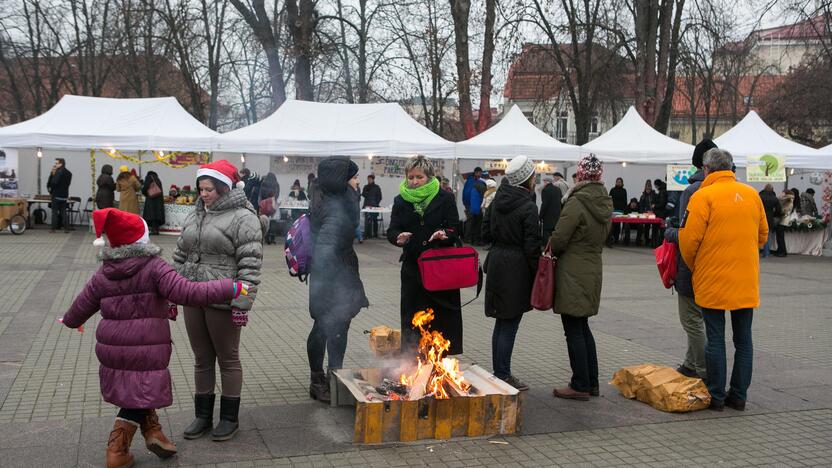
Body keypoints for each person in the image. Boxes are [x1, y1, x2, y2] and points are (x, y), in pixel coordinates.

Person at [61, 208, 247, 468]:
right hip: (146, 348)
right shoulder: (153, 267)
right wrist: (230, 286)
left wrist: (70, 321)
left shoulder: (105, 272)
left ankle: (154, 432)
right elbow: (187, 292)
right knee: (138, 393)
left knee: (138, 390)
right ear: (142, 239)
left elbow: (83, 302)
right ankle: (117, 450)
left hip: (113, 348)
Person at [172, 160, 264, 442]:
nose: (203, 194)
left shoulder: (243, 217)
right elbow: (180, 254)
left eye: (209, 189)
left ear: (224, 187)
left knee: (228, 358)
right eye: (201, 189)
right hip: (192, 294)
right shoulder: (196, 214)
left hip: (223, 296)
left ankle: (228, 418)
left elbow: (250, 266)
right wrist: (172, 290)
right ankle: (202, 416)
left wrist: (242, 303)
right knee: (201, 358)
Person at [679, 148, 767, 412]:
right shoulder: (752, 195)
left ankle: (716, 396)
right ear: (730, 168)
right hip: (745, 279)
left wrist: (698, 266)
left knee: (715, 338)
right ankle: (738, 396)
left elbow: (688, 241)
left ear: (707, 170)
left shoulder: (703, 196)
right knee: (744, 340)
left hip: (712, 278)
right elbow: (762, 236)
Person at [306, 157, 369, 402]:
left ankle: (335, 375)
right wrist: (334, 280)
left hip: (338, 274)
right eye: (353, 177)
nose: (357, 181)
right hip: (331, 276)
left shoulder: (336, 199)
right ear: (342, 181)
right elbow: (326, 247)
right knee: (325, 326)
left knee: (338, 325)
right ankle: (319, 379)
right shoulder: (335, 206)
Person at [550, 154, 612, 401]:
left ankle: (580, 384)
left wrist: (551, 245)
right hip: (592, 268)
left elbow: (560, 238)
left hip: (573, 272)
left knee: (573, 329)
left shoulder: (577, 202)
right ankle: (592, 382)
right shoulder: (605, 201)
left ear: (581, 175)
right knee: (583, 327)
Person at [388, 155, 463, 356]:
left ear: (429, 177)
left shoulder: (445, 197)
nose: (414, 182)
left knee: (441, 318)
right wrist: (398, 237)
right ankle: (412, 361)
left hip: (440, 269)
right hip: (413, 271)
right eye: (410, 177)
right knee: (413, 318)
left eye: (419, 177)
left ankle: (439, 358)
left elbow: (455, 228)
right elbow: (392, 230)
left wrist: (445, 234)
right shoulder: (401, 200)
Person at [481, 156, 541, 391]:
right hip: (516, 268)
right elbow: (532, 246)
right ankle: (502, 374)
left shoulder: (496, 199)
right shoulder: (528, 206)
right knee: (509, 323)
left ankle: (499, 371)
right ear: (527, 179)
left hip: (496, 262)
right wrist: (538, 275)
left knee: (501, 322)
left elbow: (484, 233)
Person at [663, 138, 715, 379]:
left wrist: (669, 230)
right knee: (699, 317)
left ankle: (703, 370)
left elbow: (687, 234)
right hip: (716, 264)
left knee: (691, 320)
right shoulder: (726, 189)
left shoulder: (693, 190)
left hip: (691, 265)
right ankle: (690, 363)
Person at [47, 158, 72, 232]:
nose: (55, 165)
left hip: (56, 195)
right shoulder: (69, 173)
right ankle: (66, 228)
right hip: (64, 195)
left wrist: (52, 175)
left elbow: (53, 183)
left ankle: (53, 228)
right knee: (63, 212)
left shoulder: (58, 172)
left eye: (56, 163)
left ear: (61, 164)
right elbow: (68, 184)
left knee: (54, 212)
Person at [463, 168, 486, 245]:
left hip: (477, 205)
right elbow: (466, 193)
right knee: (470, 221)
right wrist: (466, 204)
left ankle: (474, 239)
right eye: (479, 172)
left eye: (481, 173)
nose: (480, 174)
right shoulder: (470, 181)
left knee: (476, 222)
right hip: (470, 204)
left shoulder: (478, 181)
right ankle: (468, 238)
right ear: (476, 172)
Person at [759, 184, 782, 258]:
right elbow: (779, 210)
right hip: (769, 219)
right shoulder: (774, 198)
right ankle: (766, 253)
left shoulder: (760, 196)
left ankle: (756, 252)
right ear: (772, 189)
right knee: (767, 236)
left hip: (759, 218)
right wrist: (774, 214)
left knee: (757, 236)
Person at [539, 177, 563, 241]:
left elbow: (544, 204)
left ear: (546, 182)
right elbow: (561, 202)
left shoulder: (545, 190)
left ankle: (546, 249)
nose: (543, 184)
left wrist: (540, 216)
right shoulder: (558, 189)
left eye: (544, 182)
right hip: (557, 216)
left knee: (546, 234)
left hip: (548, 217)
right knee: (555, 235)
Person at [259, 172, 280, 245]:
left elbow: (261, 193)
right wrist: (273, 198)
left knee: (265, 220)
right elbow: (277, 194)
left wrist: (264, 200)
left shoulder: (264, 183)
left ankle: (266, 237)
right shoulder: (276, 184)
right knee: (273, 221)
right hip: (273, 203)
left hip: (265, 204)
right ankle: (273, 238)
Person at [361, 174, 383, 239]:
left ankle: (375, 234)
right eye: (368, 179)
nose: (369, 180)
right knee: (367, 220)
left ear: (373, 179)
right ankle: (368, 234)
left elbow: (379, 197)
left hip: (374, 206)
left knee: (374, 220)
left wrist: (376, 204)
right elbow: (363, 194)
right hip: (367, 206)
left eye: (370, 179)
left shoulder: (377, 187)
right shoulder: (366, 187)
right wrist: (367, 192)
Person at [775, 189, 796, 257]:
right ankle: (780, 250)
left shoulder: (788, 199)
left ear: (785, 193)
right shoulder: (788, 199)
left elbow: (784, 209)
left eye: (783, 192)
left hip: (783, 219)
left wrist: (780, 211)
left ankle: (782, 252)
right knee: (779, 237)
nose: (781, 193)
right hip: (783, 219)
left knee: (780, 237)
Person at [638, 180, 657, 246]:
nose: (648, 189)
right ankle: (646, 240)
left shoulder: (654, 195)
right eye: (647, 188)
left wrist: (653, 210)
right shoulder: (643, 196)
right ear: (645, 187)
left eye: (649, 188)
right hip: (646, 214)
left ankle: (653, 240)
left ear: (651, 187)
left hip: (654, 214)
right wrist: (644, 212)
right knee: (647, 227)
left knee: (654, 227)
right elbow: (641, 206)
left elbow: (656, 204)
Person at [608, 178, 627, 244]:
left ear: (622, 183)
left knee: (618, 225)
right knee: (612, 224)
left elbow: (625, 201)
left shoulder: (624, 190)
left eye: (620, 182)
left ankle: (616, 239)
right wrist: (610, 207)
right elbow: (609, 199)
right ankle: (611, 238)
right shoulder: (612, 190)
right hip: (613, 209)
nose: (618, 183)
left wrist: (624, 210)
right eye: (617, 182)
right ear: (616, 182)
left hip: (620, 210)